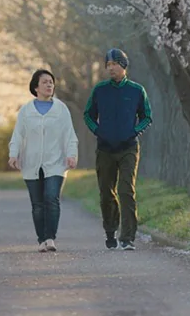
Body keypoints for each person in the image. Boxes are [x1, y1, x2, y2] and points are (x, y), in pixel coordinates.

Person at [83, 48, 152, 251]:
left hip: (128, 148)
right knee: (106, 192)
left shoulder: (137, 90)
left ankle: (128, 237)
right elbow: (88, 114)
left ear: (123, 65)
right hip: (105, 149)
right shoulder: (100, 90)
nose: (110, 68)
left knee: (126, 190)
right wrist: (98, 131)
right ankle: (110, 230)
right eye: (108, 65)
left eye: (113, 64)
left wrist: (134, 131)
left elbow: (147, 116)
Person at [8, 68, 79, 252]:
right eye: (45, 82)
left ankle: (50, 238)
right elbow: (18, 135)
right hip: (31, 163)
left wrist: (72, 154)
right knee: (37, 204)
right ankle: (41, 239)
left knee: (51, 197)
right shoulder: (26, 111)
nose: (49, 85)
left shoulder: (60, 109)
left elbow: (70, 134)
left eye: (51, 82)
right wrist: (13, 154)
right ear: (36, 87)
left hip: (56, 162)